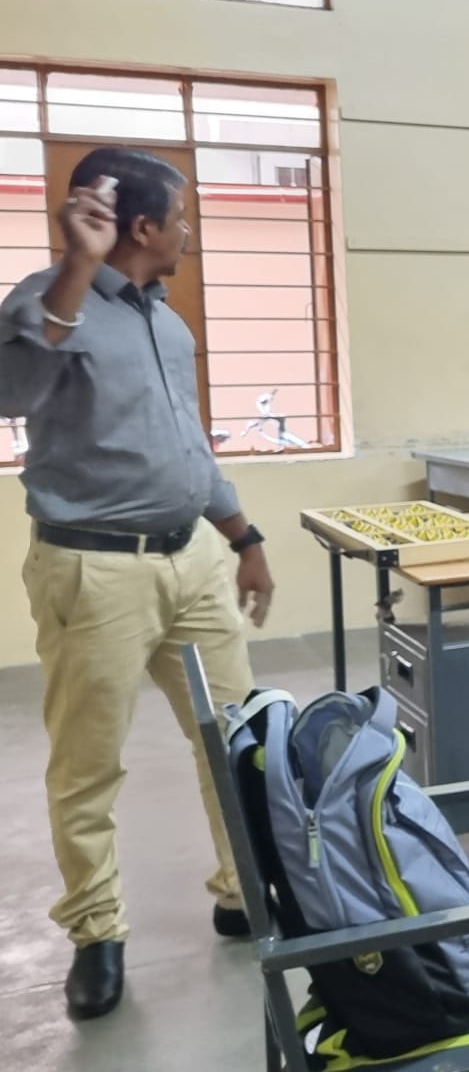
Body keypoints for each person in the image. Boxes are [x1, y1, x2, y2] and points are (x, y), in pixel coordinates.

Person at [0, 147, 276, 1019]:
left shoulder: (169, 324)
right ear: (145, 226)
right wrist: (77, 270)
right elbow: (9, 394)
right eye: (182, 218)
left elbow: (188, 444)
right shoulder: (44, 300)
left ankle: (243, 891)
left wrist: (244, 535)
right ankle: (96, 933)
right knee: (89, 766)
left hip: (192, 557)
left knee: (233, 738)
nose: (189, 234)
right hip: (93, 566)